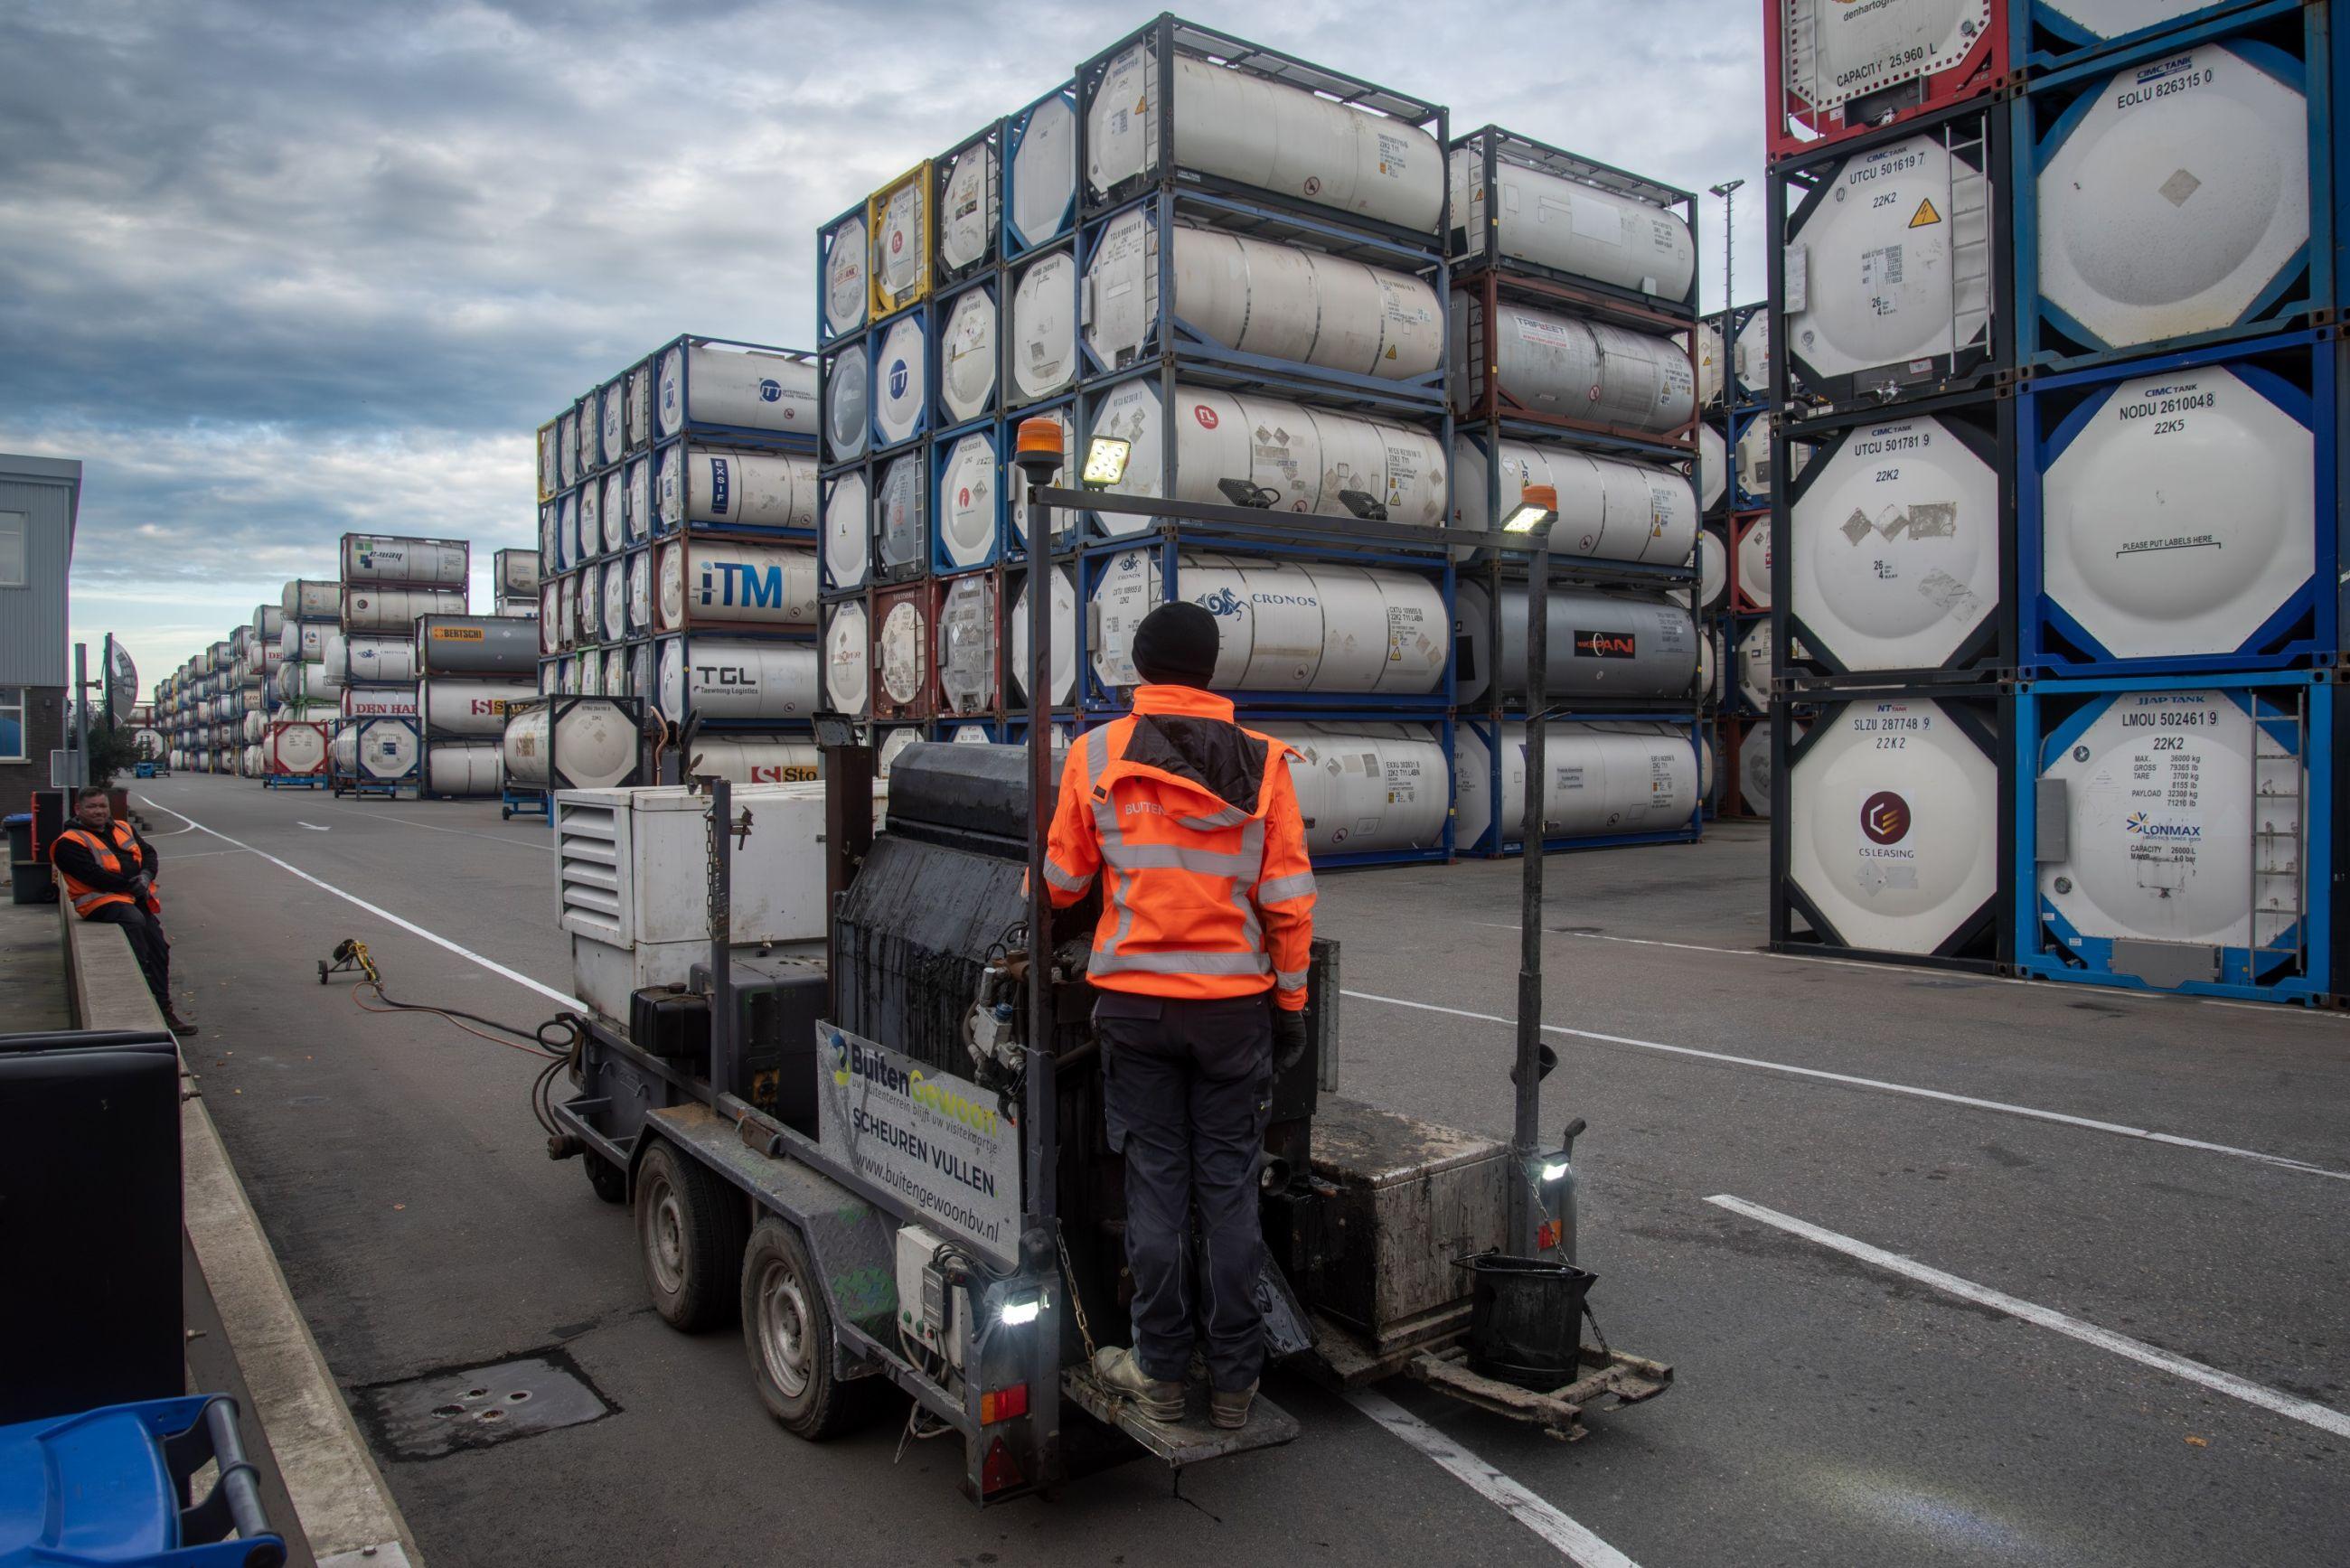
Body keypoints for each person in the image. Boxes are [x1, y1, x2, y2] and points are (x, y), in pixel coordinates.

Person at [1042, 601, 1316, 1431]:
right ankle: (1235, 1381)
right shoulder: (1265, 764)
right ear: (1211, 669)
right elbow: (1289, 902)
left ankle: (1159, 1370)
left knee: (1157, 1185)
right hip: (1235, 1011)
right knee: (1228, 1188)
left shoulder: (1097, 753)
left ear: (1139, 665)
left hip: (1135, 1006)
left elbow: (1058, 882)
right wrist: (1292, 1003)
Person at [51, 787, 196, 1037]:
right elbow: (94, 876)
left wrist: (147, 875)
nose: (99, 811)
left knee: (159, 948)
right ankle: (140, 979)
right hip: (98, 902)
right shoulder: (69, 842)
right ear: (78, 810)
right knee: (134, 922)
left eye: (102, 806)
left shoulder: (122, 827)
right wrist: (133, 883)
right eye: (92, 807)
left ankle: (164, 1010)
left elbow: (149, 853)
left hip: (132, 897)